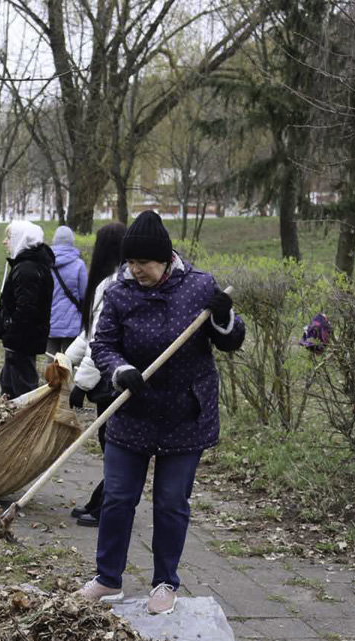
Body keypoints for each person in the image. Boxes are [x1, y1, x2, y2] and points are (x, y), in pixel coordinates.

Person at [80, 210, 244, 614]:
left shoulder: (199, 286)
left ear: (166, 258)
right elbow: (102, 345)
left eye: (143, 263)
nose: (135, 270)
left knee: (171, 502)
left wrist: (223, 317)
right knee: (117, 497)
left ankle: (165, 583)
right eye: (130, 262)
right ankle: (107, 579)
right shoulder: (118, 292)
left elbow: (231, 341)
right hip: (132, 412)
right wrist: (120, 370)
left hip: (186, 413)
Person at [64, 222, 127, 527]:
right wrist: (66, 359)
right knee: (108, 442)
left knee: (113, 444)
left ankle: (109, 506)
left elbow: (100, 341)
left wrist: (81, 384)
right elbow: (88, 333)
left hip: (112, 377)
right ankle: (103, 499)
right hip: (104, 376)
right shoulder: (106, 284)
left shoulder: (116, 286)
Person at [0, 220, 54, 399]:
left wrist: (9, 325)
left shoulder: (27, 269)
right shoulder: (30, 265)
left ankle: (28, 417)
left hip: (22, 340)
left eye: (9, 237)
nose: (5, 242)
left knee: (23, 390)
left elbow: (26, 309)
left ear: (21, 239)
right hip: (20, 340)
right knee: (8, 387)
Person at [47, 225, 88, 354]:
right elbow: (84, 294)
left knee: (51, 359)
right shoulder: (79, 264)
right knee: (69, 359)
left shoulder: (46, 264)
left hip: (50, 321)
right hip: (72, 322)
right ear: (71, 241)